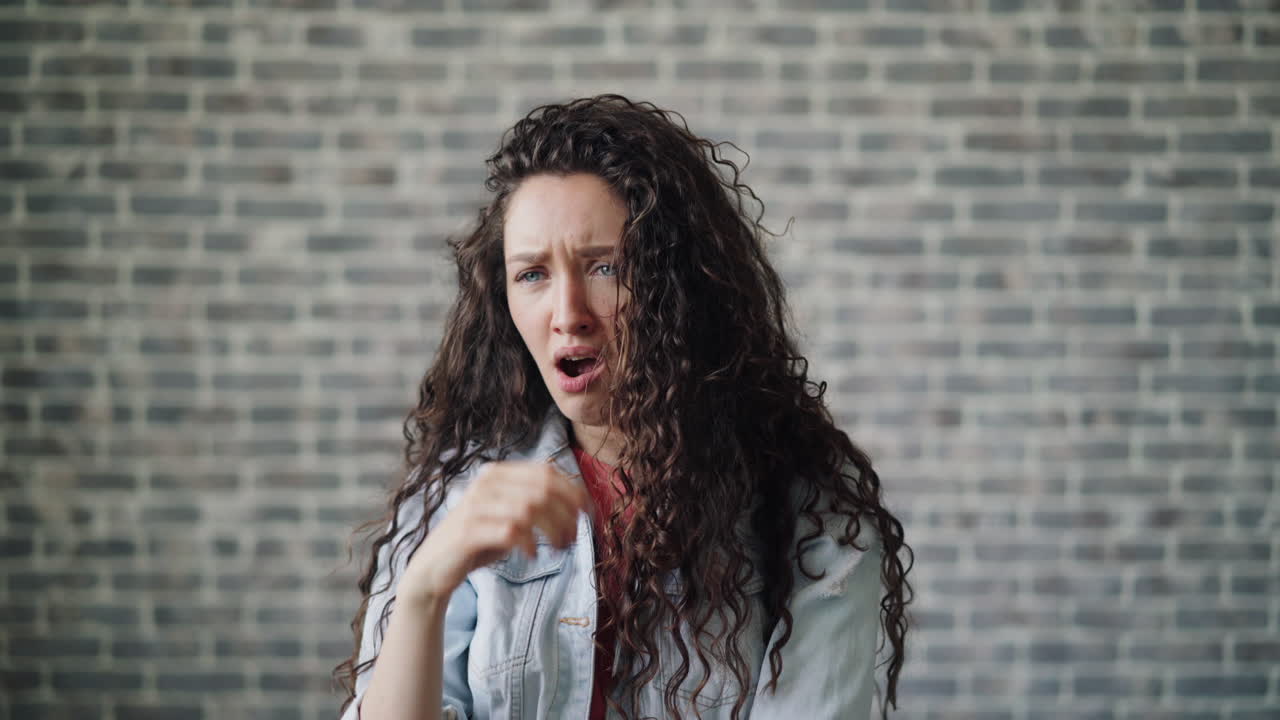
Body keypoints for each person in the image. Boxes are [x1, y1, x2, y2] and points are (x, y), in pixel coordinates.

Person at [333, 94, 914, 720]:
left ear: (681, 287)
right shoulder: (458, 489)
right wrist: (425, 587)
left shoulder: (811, 512)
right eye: (532, 274)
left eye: (606, 267)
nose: (567, 315)